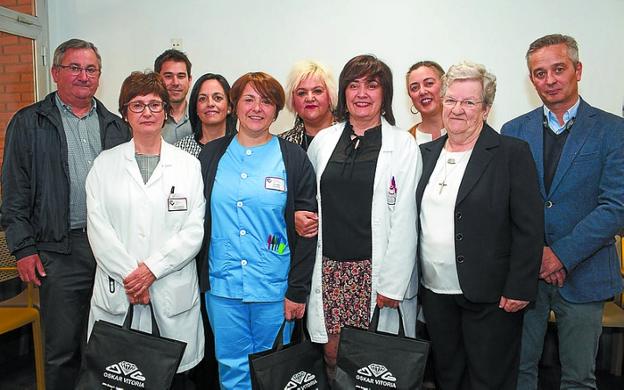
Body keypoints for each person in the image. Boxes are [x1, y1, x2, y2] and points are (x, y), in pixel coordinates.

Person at [0, 38, 130, 390]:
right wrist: (24, 248)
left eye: (91, 69)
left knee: (108, 343)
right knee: (62, 348)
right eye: (75, 67)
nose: (83, 76)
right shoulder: (29, 123)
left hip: (110, 250)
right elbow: (14, 192)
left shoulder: (116, 126)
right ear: (56, 72)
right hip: (59, 251)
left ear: (100, 76)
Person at [501, 34, 624, 390]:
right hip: (526, 274)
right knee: (519, 371)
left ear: (577, 70)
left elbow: (616, 206)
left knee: (579, 378)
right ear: (531, 80)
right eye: (540, 73)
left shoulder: (613, 131)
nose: (550, 80)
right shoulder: (514, 131)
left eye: (558, 69)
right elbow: (507, 205)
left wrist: (560, 255)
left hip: (585, 274)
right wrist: (537, 252)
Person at [416, 61, 543, 390]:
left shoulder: (510, 153)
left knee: (489, 380)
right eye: (451, 100)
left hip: (491, 296)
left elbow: (528, 227)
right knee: (448, 377)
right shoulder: (423, 154)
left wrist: (519, 286)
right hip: (435, 293)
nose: (457, 109)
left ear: (485, 109)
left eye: (469, 102)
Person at [196, 71, 317, 389]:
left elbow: (306, 232)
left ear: (277, 110)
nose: (257, 108)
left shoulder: (293, 159)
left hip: (274, 291)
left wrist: (297, 290)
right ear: (235, 106)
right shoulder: (211, 156)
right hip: (222, 288)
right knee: (232, 370)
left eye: (266, 101)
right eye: (248, 99)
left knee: (274, 371)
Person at [85, 71, 205, 389]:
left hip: (170, 287)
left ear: (166, 111)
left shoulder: (188, 165)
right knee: (120, 376)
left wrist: (151, 269)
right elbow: (98, 228)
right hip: (120, 289)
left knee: (173, 378)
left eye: (154, 104)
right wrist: (133, 276)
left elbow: (193, 229)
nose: (147, 112)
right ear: (125, 113)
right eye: (137, 105)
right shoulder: (104, 165)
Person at [306, 54, 421, 380]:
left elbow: (405, 219)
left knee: (374, 364)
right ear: (343, 93)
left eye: (372, 86)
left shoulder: (403, 145)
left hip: (374, 270)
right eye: (353, 85)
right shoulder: (324, 142)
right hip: (329, 269)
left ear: (385, 94)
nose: (362, 93)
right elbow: (310, 201)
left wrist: (393, 284)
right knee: (332, 355)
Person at [175, 73, 237, 157]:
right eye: (203, 99)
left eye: (217, 98)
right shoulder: (180, 150)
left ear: (229, 107)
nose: (210, 104)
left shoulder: (242, 146)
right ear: (196, 108)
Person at [279, 60, 337, 150]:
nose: (310, 98)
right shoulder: (282, 144)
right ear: (292, 100)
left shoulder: (350, 136)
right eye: (302, 93)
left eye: (317, 91)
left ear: (330, 95)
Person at [154, 49, 193, 144]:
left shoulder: (201, 117)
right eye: (168, 76)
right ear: (157, 79)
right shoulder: (148, 119)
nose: (175, 83)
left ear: (189, 80)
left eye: (181, 76)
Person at [406, 60, 447, 144]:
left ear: (444, 86)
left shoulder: (466, 132)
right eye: (414, 88)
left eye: (429, 83)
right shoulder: (405, 142)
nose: (422, 92)